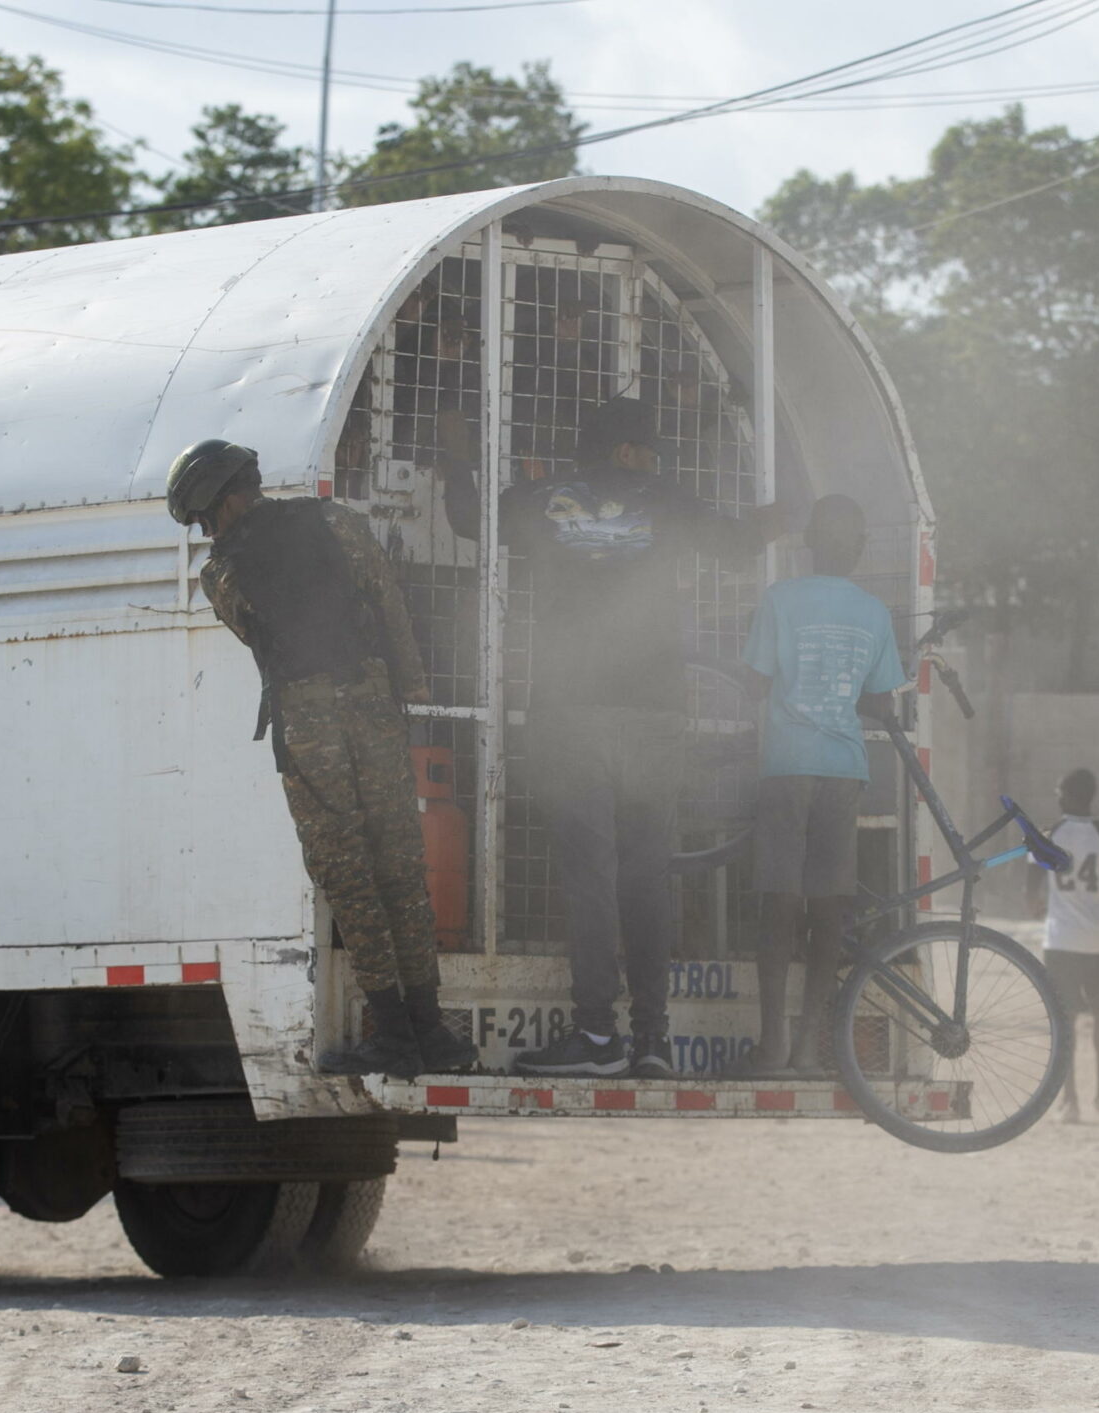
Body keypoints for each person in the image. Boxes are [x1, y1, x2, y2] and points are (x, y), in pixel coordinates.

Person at [451, 396, 788, 1077]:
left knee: (589, 876)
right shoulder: (666, 498)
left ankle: (596, 1036)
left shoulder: (541, 498)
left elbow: (465, 521)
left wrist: (457, 454)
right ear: (631, 452)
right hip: (656, 714)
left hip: (570, 715)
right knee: (646, 873)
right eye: (651, 451)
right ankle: (653, 1041)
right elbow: (740, 546)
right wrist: (780, 508)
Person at [169, 437, 479, 1080]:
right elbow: (389, 601)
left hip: (309, 721)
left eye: (205, 518)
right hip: (373, 702)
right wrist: (413, 685)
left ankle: (393, 1032)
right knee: (400, 864)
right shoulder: (335, 522)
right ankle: (431, 1027)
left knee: (348, 875)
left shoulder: (219, 574)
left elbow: (255, 631)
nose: (208, 530)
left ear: (225, 502)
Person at [742, 494, 906, 1074]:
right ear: (860, 549)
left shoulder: (779, 599)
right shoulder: (874, 612)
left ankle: (771, 1044)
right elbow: (883, 702)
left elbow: (756, 682)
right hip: (844, 773)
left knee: (777, 905)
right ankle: (810, 1047)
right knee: (829, 910)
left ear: (808, 543)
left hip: (786, 768)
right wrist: (845, 687)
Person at [1038, 769, 1099, 1120]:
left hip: (1060, 941)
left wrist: (1041, 900)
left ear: (1071, 796)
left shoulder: (1048, 835)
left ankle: (1069, 1101)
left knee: (1065, 1021)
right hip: (1098, 941)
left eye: (1060, 792)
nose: (1057, 797)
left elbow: (1030, 895)